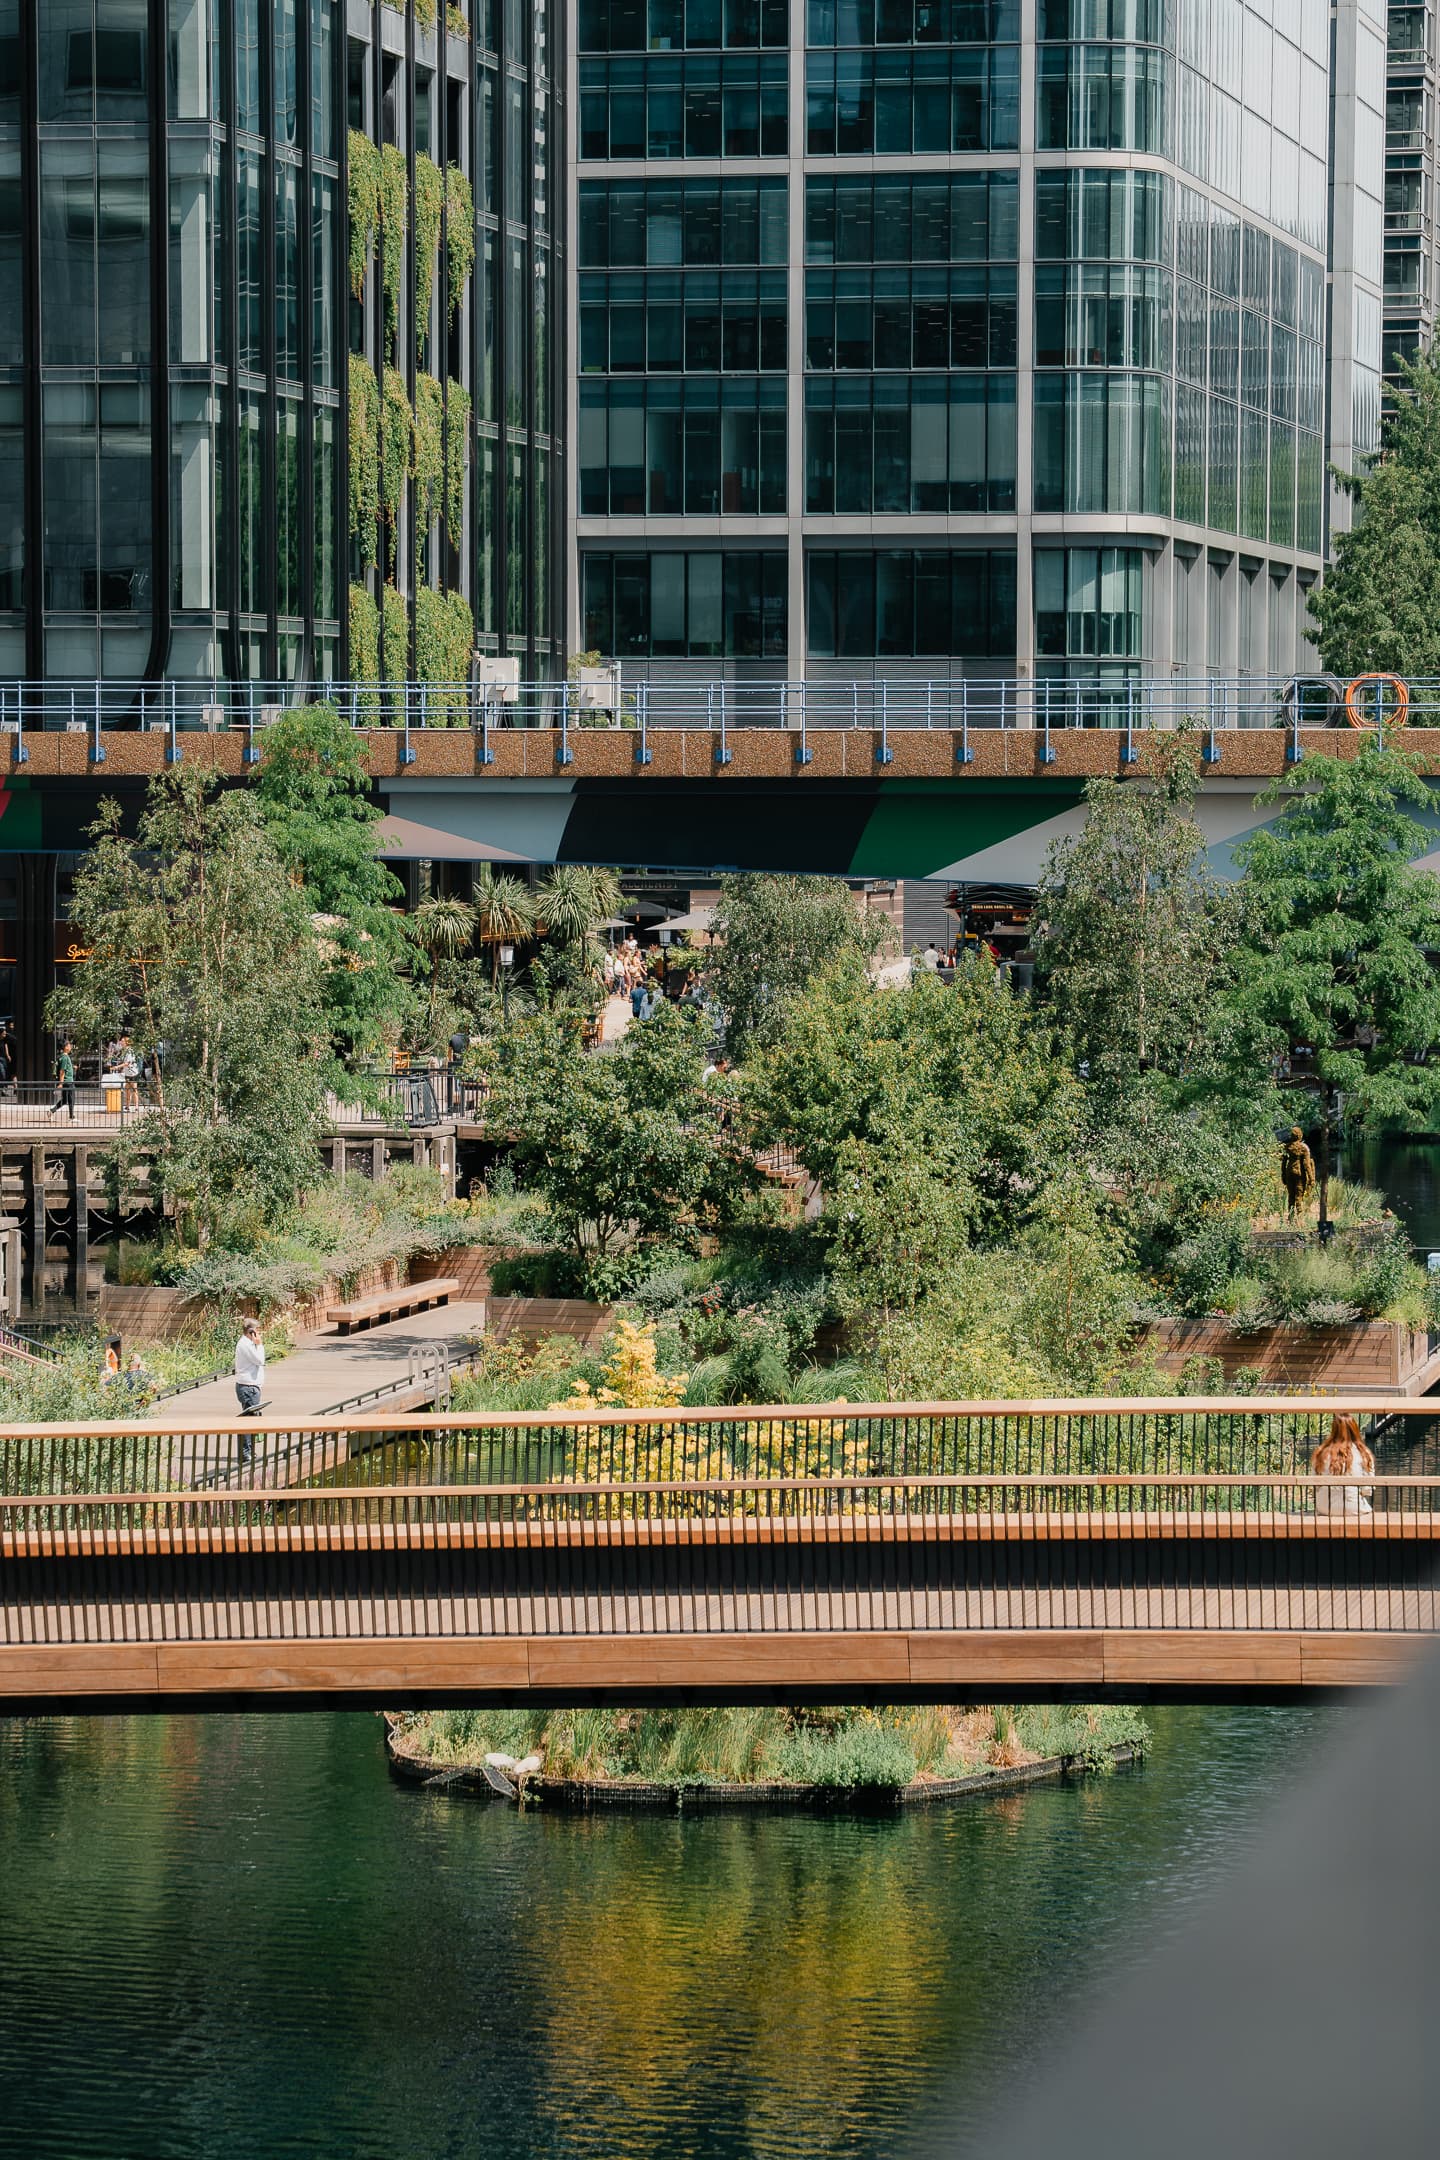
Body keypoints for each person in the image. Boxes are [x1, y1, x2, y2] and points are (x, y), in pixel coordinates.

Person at [1310, 1414, 1376, 1517]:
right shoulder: (1363, 1453)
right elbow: (1367, 1489)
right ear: (1354, 1430)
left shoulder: (1321, 1452)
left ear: (1333, 1429)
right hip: (1353, 1506)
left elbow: (1315, 1483)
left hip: (1325, 1507)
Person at [234, 1316, 265, 1424]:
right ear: (251, 1332)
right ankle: (246, 1441)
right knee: (250, 1421)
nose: (260, 1333)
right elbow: (260, 1360)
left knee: (251, 1419)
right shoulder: (246, 1345)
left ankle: (248, 1441)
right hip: (248, 1388)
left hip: (251, 1386)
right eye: (258, 1330)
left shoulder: (249, 1344)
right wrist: (259, 1344)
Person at [1280, 1126, 1316, 1215]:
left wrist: (1283, 1175)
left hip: (1289, 1173)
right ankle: (1299, 1218)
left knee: (1291, 1196)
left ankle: (1291, 1217)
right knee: (1299, 1196)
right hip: (1300, 1174)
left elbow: (1283, 1163)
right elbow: (1307, 1164)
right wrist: (1311, 1178)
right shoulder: (1304, 1148)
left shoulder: (1287, 1147)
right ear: (1300, 1135)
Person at [49, 1038, 76, 1120]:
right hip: (68, 1081)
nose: (70, 1047)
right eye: (69, 1045)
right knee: (72, 1099)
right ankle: (71, 1117)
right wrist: (61, 1083)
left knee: (65, 1100)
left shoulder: (63, 1057)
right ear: (65, 1047)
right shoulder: (64, 1057)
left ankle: (52, 1110)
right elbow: (62, 1071)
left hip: (67, 1081)